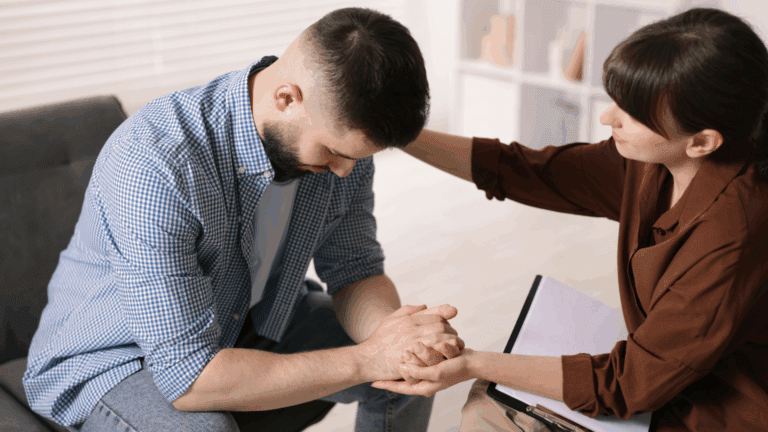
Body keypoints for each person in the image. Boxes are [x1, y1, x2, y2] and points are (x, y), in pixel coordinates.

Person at [23, 7, 465, 432]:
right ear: (287, 98)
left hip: (252, 317)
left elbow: (356, 271)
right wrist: (371, 358)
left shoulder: (341, 150)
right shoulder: (157, 162)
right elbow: (188, 377)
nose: (345, 170)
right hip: (117, 355)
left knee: (412, 373)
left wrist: (397, 340)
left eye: (356, 157)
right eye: (332, 151)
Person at [372, 7, 768, 432]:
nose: (607, 117)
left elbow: (628, 386)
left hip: (717, 411)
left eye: (632, 113)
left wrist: (473, 362)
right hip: (664, 375)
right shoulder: (650, 161)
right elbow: (526, 170)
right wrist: (398, 133)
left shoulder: (735, 231)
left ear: (702, 141)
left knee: (488, 412)